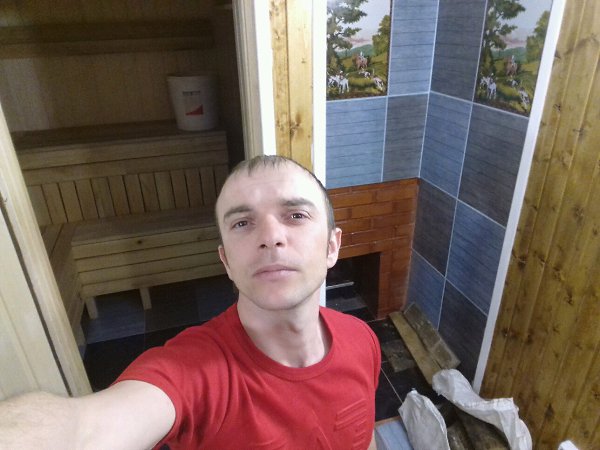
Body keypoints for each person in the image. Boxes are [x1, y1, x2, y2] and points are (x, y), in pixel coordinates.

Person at [0, 155, 381, 449]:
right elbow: (83, 431)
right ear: (226, 261)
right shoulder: (191, 373)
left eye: (295, 215)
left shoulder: (362, 339)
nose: (271, 237)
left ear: (332, 246)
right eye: (242, 223)